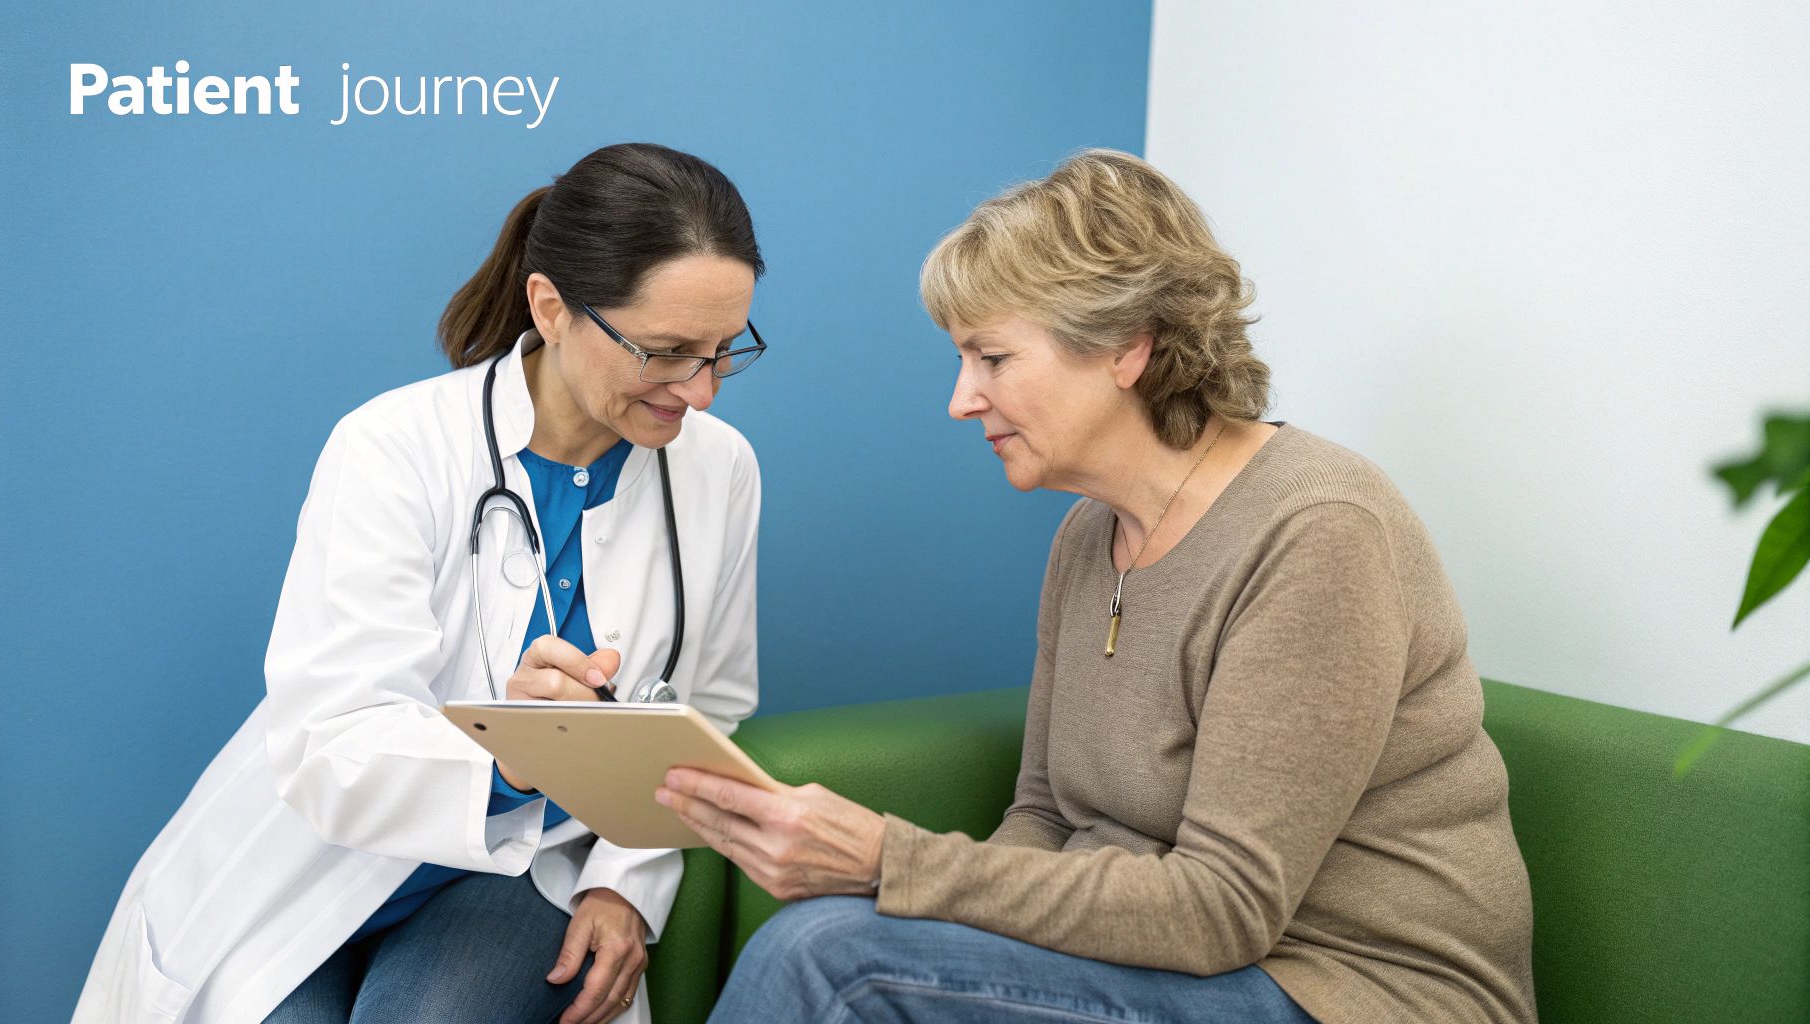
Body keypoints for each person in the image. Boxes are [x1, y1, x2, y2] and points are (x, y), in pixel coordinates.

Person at [656, 149, 1538, 1024]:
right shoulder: (1091, 532)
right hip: (1170, 975)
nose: (961, 400)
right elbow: (1043, 814)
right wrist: (936, 927)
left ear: (1126, 348)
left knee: (835, 963)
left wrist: (895, 861)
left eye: (992, 358)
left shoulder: (1317, 532)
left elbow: (1223, 910)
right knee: (841, 934)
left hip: (1349, 990)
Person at [73, 142, 769, 1024]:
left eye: (723, 350)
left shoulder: (718, 470)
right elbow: (334, 739)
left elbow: (709, 706)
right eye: (667, 352)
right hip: (314, 859)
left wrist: (626, 884)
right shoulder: (393, 448)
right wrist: (515, 752)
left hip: (518, 868)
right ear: (551, 308)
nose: (701, 393)